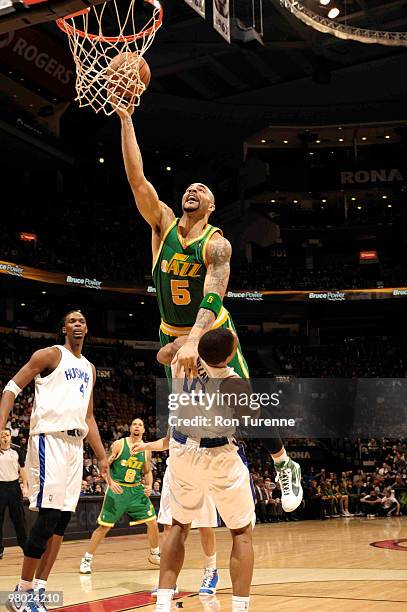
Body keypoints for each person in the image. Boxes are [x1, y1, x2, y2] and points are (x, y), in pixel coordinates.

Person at [115, 102, 302, 514]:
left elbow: (214, 294)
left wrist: (195, 340)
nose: (192, 190)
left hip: (212, 332)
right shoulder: (162, 225)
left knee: (246, 408)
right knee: (189, 417)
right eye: (189, 187)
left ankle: (283, 463)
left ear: (212, 207)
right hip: (171, 333)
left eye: (202, 189)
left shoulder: (217, 244)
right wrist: (126, 117)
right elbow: (136, 178)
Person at [0, 309, 109, 612]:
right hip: (50, 439)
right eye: (73, 320)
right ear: (63, 328)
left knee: (61, 523)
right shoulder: (49, 355)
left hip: (75, 445)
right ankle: (21, 593)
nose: (78, 324)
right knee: (47, 517)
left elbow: (89, 417)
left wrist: (101, 456)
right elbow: (11, 388)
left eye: (83, 321)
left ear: (87, 330)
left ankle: (39, 590)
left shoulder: (89, 367)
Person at [148, 327, 255, 612]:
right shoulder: (232, 380)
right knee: (241, 532)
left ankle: (162, 604)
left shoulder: (185, 351)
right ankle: (241, 607)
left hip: (182, 449)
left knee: (178, 527)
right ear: (231, 354)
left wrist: (180, 347)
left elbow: (161, 355)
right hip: (218, 452)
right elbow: (253, 420)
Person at [79, 418, 160, 574]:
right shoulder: (119, 445)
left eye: (140, 425)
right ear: (130, 428)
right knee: (104, 527)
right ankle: (87, 559)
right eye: (134, 424)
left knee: (153, 522)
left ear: (143, 430)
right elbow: (104, 466)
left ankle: (154, 554)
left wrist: (149, 485)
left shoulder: (146, 449)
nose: (137, 426)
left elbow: (147, 471)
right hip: (118, 490)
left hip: (136, 491)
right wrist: (110, 482)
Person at [0, 428, 28, 560]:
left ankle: (25, 545)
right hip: (0, 487)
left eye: (7, 435)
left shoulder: (17, 451)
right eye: (2, 435)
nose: (5, 437)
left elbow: (22, 469)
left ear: (11, 437)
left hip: (14, 486)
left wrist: (25, 486)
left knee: (19, 519)